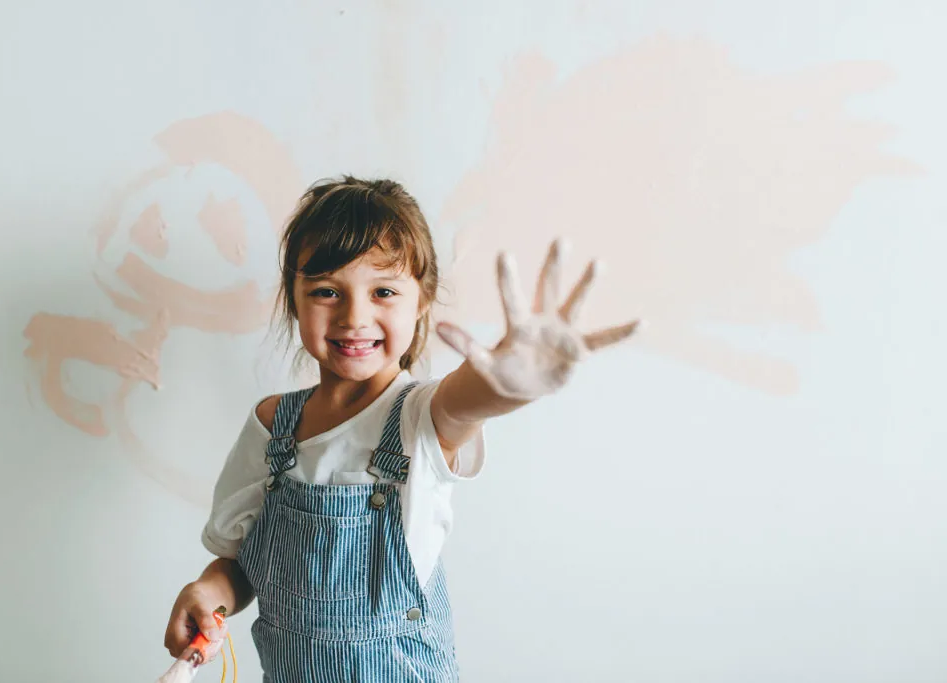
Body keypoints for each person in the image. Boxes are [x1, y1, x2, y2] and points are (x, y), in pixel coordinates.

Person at [163, 175, 638, 681]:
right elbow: (242, 562)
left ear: (422, 304)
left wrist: (509, 382)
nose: (355, 316)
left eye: (384, 291)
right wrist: (210, 592)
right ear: (293, 301)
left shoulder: (422, 417)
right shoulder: (271, 425)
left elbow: (466, 402)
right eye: (326, 291)